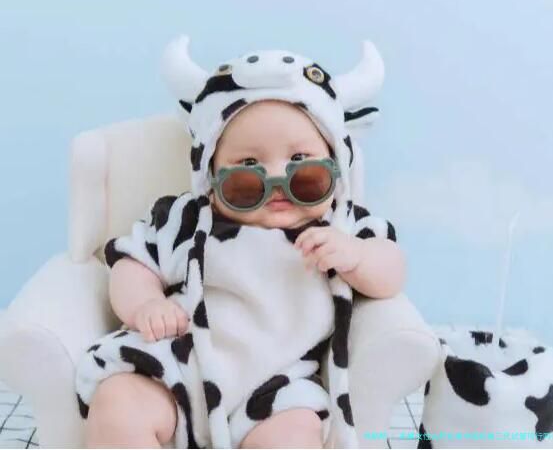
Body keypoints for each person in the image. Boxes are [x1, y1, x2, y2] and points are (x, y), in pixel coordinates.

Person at [75, 36, 406, 448]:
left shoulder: (341, 224)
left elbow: (392, 271)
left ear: (335, 164)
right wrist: (145, 304)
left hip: (278, 387)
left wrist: (357, 257)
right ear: (209, 174)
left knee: (295, 436)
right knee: (120, 403)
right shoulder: (189, 218)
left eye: (301, 164)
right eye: (248, 167)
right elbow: (133, 263)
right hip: (178, 364)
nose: (277, 180)